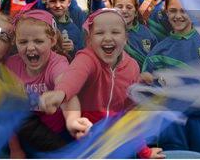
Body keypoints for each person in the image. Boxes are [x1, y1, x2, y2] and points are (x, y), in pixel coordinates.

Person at [39, 9, 164, 159]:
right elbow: (74, 75)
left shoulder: (132, 67)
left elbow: (130, 115)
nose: (107, 38)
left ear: (125, 38)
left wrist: (145, 152)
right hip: (84, 136)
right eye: (99, 33)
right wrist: (61, 93)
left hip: (113, 141)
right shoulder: (87, 58)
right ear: (90, 40)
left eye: (115, 32)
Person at [141, 0, 200, 158]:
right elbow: (148, 93)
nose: (178, 16)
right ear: (165, 12)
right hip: (172, 126)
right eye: (173, 11)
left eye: (184, 10)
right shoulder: (158, 51)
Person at [6, 10, 91, 156]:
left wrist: (73, 120)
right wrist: (15, 149)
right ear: (15, 42)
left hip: (59, 133)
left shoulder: (57, 62)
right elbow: (6, 114)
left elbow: (66, 91)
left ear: (52, 41)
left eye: (38, 41)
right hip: (28, 136)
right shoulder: (11, 65)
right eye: (23, 42)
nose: (30, 47)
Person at [113, 0, 157, 69]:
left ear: (136, 12)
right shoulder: (108, 33)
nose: (124, 10)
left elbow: (156, 58)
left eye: (129, 7)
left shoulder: (146, 33)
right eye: (119, 7)